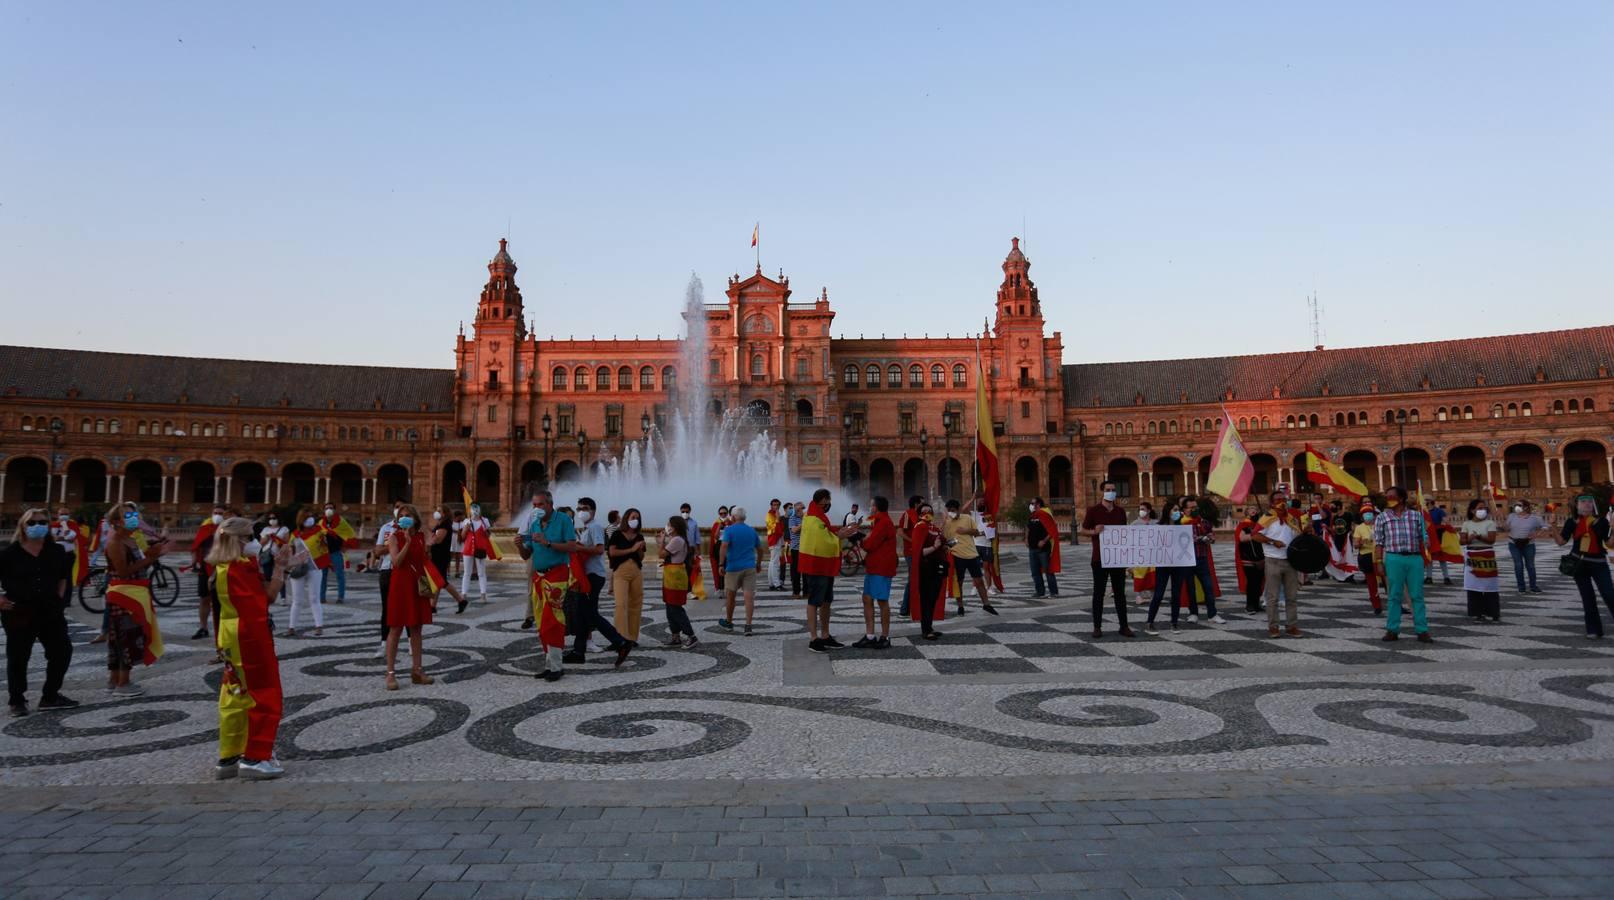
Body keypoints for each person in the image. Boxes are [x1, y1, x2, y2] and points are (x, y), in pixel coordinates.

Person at [207, 516, 290, 780]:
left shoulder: (224, 566)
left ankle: (229, 755)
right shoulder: (239, 569)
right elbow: (267, 598)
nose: (255, 542)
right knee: (264, 692)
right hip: (249, 635)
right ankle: (256, 756)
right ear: (239, 540)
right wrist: (280, 568)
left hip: (231, 634)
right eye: (251, 537)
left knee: (234, 693)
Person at [1, 509, 78, 717]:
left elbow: (63, 576)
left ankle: (50, 695)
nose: (38, 526)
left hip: (49, 609)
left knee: (62, 651)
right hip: (19, 610)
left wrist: (59, 598)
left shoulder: (55, 551)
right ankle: (17, 700)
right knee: (18, 656)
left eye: (43, 522)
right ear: (23, 526)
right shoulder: (9, 553)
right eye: (32, 522)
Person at [103, 501, 170, 696]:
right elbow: (123, 571)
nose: (133, 519)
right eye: (127, 516)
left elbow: (142, 556)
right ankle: (123, 682)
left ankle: (114, 679)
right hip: (124, 593)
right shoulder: (115, 541)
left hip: (135, 591)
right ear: (116, 521)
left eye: (135, 515)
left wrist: (153, 551)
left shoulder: (132, 537)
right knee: (124, 637)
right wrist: (151, 559)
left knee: (127, 634)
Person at [520, 491, 581, 680]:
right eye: (534, 505)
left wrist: (548, 543)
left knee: (553, 619)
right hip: (539, 576)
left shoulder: (563, 520)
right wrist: (519, 545)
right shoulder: (534, 522)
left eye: (540, 504)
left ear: (549, 504)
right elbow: (526, 554)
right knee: (541, 620)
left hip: (557, 575)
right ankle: (549, 663)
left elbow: (572, 546)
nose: (536, 508)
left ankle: (556, 666)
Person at [565, 497, 631, 666]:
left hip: (593, 576)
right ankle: (578, 651)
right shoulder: (587, 528)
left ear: (593, 510)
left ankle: (621, 642)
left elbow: (600, 549)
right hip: (588, 575)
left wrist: (579, 548)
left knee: (590, 614)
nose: (581, 511)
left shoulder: (594, 527)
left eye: (585, 508)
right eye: (579, 508)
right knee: (583, 614)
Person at [383, 505, 436, 690]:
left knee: (416, 628)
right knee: (395, 629)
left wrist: (430, 589)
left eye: (408, 516)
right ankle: (390, 673)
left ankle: (417, 670)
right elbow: (397, 562)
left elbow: (424, 561)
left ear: (415, 518)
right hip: (400, 586)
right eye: (402, 516)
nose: (405, 519)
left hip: (417, 586)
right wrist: (406, 542)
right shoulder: (394, 537)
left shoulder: (421, 537)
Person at [1373, 485, 1432, 643]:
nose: (1389, 499)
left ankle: (1422, 629)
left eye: (1392, 496)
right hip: (1393, 558)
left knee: (1417, 595)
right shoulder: (1382, 518)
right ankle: (1392, 629)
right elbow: (1378, 542)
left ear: (1401, 498)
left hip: (1414, 558)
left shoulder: (1415, 516)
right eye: (1387, 496)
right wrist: (1379, 561)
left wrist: (1427, 542)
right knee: (1394, 595)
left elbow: (1423, 537)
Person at [1555, 493, 1614, 638]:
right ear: (1577, 505)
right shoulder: (1572, 522)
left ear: (1593, 505)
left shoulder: (1601, 522)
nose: (1586, 504)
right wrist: (1552, 526)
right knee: (1587, 597)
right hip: (1578, 563)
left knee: (1609, 595)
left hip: (1599, 563)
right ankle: (1593, 629)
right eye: (1583, 502)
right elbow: (1561, 542)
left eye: (1589, 502)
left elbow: (1609, 544)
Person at [799, 488, 846, 653]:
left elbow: (826, 535)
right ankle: (813, 638)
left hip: (823, 564)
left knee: (827, 600)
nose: (829, 504)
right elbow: (822, 540)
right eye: (828, 501)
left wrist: (838, 533)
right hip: (815, 565)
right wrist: (839, 536)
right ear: (822, 500)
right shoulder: (812, 518)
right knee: (814, 600)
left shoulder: (818, 515)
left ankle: (825, 635)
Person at [1079, 485, 1130, 636]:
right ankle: (1097, 627)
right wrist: (1094, 531)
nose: (1111, 492)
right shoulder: (1093, 510)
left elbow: (1125, 533)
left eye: (1113, 489)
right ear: (1102, 492)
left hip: (1118, 558)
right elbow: (1083, 530)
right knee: (1098, 593)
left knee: (1120, 593)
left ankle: (1124, 626)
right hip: (1099, 558)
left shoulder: (1120, 511)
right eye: (1108, 490)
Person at [1251, 492, 1303, 638]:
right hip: (1273, 560)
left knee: (1291, 596)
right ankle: (1273, 626)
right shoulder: (1266, 518)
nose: (1282, 502)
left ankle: (1291, 625)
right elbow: (1255, 535)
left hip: (1290, 561)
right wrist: (1272, 541)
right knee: (1272, 597)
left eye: (1284, 499)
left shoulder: (1291, 518)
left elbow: (1297, 537)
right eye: (1278, 500)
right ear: (1272, 503)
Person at [855, 495, 899, 649]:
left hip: (881, 567)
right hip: (874, 566)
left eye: (872, 505)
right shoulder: (878, 522)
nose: (870, 508)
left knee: (881, 601)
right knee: (867, 598)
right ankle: (870, 635)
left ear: (877, 507)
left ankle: (885, 636)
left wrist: (860, 539)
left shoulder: (884, 522)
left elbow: (870, 545)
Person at [942, 499, 997, 615]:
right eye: (949, 510)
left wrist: (966, 530)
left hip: (972, 554)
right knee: (959, 583)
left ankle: (986, 604)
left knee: (979, 581)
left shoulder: (967, 518)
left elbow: (977, 532)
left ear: (957, 510)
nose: (950, 512)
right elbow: (945, 542)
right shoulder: (946, 523)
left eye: (953, 510)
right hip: (957, 556)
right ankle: (960, 606)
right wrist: (955, 542)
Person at [283, 505, 325, 639]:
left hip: (314, 567)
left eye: (311, 517)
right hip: (298, 568)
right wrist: (289, 564)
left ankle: (319, 626)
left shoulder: (319, 531)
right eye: (307, 517)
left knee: (314, 598)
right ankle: (291, 627)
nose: (310, 519)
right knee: (297, 600)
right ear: (301, 520)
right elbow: (290, 551)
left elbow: (324, 547)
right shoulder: (295, 534)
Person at [718, 506, 761, 635]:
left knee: (731, 596)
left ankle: (729, 622)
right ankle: (748, 625)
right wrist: (758, 563)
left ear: (733, 517)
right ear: (744, 517)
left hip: (733, 568)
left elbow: (724, 546)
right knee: (749, 597)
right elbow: (760, 549)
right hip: (749, 567)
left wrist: (721, 564)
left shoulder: (729, 530)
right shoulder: (751, 531)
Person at [1181, 498, 1224, 624]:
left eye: (1196, 507)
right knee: (1190, 588)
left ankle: (1212, 614)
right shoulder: (1181, 523)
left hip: (1202, 558)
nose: (1194, 509)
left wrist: (1210, 538)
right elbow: (1186, 538)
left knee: (1208, 587)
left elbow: (1211, 535)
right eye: (1191, 507)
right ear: (1185, 510)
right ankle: (1193, 613)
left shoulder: (1204, 522)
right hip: (1187, 560)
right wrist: (1201, 538)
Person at [608, 507, 648, 644]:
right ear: (626, 518)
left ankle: (632, 637)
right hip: (621, 571)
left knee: (635, 604)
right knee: (620, 604)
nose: (635, 520)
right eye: (633, 517)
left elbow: (641, 557)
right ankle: (620, 637)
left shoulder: (640, 537)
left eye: (637, 518)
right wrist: (632, 549)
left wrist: (640, 549)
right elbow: (612, 553)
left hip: (636, 570)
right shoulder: (617, 535)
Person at [1459, 498, 1502, 622]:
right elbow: (1461, 541)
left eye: (1484, 508)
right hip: (1471, 554)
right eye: (1480, 508)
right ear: (1472, 510)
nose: (1482, 510)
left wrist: (1479, 536)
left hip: (1486, 554)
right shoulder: (1467, 524)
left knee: (1490, 584)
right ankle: (1477, 612)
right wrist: (1470, 539)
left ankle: (1493, 612)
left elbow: (1491, 540)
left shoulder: (1489, 523)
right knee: (1473, 585)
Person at [659, 515, 698, 647]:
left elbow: (661, 554)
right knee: (670, 607)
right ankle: (675, 636)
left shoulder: (676, 540)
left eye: (669, 524)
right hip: (672, 576)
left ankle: (691, 635)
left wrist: (661, 541)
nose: (667, 527)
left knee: (675, 608)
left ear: (674, 527)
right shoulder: (678, 539)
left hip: (675, 577)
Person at [911, 502, 948, 641]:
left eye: (930, 510)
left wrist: (944, 547)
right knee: (927, 598)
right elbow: (918, 552)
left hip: (937, 566)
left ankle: (929, 626)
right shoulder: (920, 527)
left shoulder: (933, 527)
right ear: (919, 514)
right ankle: (925, 629)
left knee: (933, 597)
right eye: (924, 511)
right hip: (926, 568)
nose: (928, 513)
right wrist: (934, 546)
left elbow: (940, 543)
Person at [190, 504, 226, 640]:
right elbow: (195, 546)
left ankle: (223, 627)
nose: (217, 515)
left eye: (221, 513)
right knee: (204, 598)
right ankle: (203, 627)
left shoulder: (228, 530)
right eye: (215, 512)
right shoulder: (205, 528)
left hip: (222, 567)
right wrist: (194, 561)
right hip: (205, 567)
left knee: (222, 599)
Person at [427, 506, 469, 614]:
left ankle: (461, 600)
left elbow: (438, 540)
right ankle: (432, 606)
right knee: (438, 581)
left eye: (439, 511)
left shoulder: (445, 525)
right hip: (438, 555)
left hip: (440, 556)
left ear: (444, 513)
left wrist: (430, 539)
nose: (436, 512)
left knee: (441, 581)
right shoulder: (440, 524)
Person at [1505, 500, 1547, 594]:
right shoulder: (1511, 516)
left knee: (1530, 566)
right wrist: (1504, 525)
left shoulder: (1534, 518)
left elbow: (1544, 527)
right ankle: (1521, 587)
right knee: (1518, 565)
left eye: (1519, 505)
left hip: (1528, 544)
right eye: (1515, 504)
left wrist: (1536, 534)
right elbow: (1506, 528)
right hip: (1513, 543)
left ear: (1526, 507)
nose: (1516, 506)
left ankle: (1533, 586)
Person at [1027, 497, 1064, 601]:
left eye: (1032, 503)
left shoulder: (1044, 514)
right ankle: (1040, 592)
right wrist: (1026, 539)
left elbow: (1052, 530)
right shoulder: (1032, 516)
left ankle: (1054, 592)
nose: (1031, 505)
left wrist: (1044, 540)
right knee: (1035, 572)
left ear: (1038, 504)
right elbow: (1028, 528)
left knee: (1048, 571)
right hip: (1032, 548)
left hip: (1043, 549)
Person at [1233, 503, 1265, 614]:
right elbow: (1241, 538)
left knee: (1258, 582)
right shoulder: (1243, 525)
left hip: (1259, 556)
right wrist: (1254, 533)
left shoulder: (1258, 525)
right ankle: (1249, 605)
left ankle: (1256, 604)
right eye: (1251, 509)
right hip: (1248, 557)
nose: (1254, 511)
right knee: (1251, 582)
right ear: (1246, 513)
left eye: (1255, 509)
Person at [320, 503, 353, 605]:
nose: (328, 510)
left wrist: (345, 545)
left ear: (334, 510)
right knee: (322, 576)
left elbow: (349, 533)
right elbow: (316, 535)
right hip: (324, 553)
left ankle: (340, 597)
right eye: (326, 508)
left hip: (336, 552)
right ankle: (321, 597)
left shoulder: (341, 522)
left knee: (340, 575)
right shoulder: (321, 523)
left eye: (330, 508)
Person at [1352, 503, 1383, 614]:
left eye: (1370, 513)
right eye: (1365, 514)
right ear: (1362, 516)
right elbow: (1355, 545)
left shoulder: (1379, 525)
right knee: (1371, 582)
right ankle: (1376, 606)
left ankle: (1396, 605)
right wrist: (1363, 541)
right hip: (1367, 556)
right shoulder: (1359, 528)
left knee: (1388, 581)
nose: (1368, 516)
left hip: (1381, 555)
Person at [460, 503, 493, 604]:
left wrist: (486, 531)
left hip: (480, 549)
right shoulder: (466, 521)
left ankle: (483, 595)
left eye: (476, 508)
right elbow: (462, 536)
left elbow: (488, 535)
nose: (475, 511)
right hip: (469, 548)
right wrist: (465, 529)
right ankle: (464, 594)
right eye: (473, 509)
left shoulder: (485, 521)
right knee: (467, 572)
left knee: (481, 573)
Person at [972, 495, 1005, 594]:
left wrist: (979, 533)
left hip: (986, 545)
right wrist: (972, 499)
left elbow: (991, 532)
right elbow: (962, 510)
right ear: (976, 504)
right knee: (975, 568)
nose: (981, 503)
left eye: (983, 502)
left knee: (986, 567)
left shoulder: (987, 516)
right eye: (979, 502)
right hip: (975, 545)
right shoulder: (973, 514)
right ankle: (975, 587)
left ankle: (989, 587)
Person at [897, 495, 923, 616]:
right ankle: (905, 608)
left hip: (921, 551)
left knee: (918, 579)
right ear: (916, 504)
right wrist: (912, 540)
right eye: (922, 503)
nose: (924, 505)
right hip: (911, 552)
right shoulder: (908, 514)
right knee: (912, 579)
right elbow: (900, 531)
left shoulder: (921, 515)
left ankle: (915, 606)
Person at [1131, 502, 1156, 606]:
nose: (1141, 511)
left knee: (1153, 575)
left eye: (1143, 509)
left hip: (1153, 554)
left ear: (1149, 510)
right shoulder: (1134, 524)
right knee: (1139, 575)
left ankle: (1153, 595)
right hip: (1139, 554)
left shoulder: (1156, 523)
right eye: (1140, 509)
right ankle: (1138, 596)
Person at [1427, 502, 1453, 586]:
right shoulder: (1423, 511)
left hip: (1438, 534)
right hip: (1428, 535)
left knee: (1441, 557)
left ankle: (1446, 577)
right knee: (1429, 557)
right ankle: (1429, 577)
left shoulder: (1438, 511)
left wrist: (1448, 527)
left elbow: (1446, 520)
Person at [765, 498, 787, 591]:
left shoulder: (774, 514)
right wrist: (778, 519)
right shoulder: (770, 515)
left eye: (778, 505)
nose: (776, 506)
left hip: (776, 539)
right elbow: (774, 529)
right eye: (774, 505)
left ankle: (771, 583)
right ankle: (777, 584)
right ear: (771, 506)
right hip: (774, 540)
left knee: (772, 562)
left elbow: (781, 529)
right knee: (775, 563)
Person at [787, 500, 804, 598]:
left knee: (806, 572)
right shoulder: (792, 518)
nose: (803, 510)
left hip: (805, 548)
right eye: (801, 508)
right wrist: (803, 523)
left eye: (803, 508)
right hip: (796, 548)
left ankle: (806, 592)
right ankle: (796, 592)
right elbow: (793, 530)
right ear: (797, 509)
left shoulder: (805, 518)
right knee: (796, 572)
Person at [449, 509, 465, 578]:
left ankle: (457, 571)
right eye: (461, 516)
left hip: (459, 540)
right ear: (457, 516)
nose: (462, 517)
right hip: (452, 540)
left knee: (458, 557)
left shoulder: (462, 523)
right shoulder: (451, 523)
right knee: (449, 557)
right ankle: (448, 572)